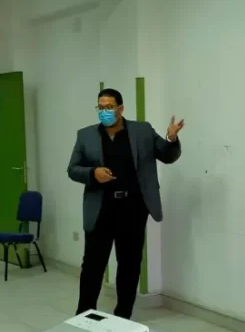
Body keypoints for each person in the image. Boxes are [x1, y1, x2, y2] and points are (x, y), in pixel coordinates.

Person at [67, 88, 185, 319]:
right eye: (100, 107)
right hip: (100, 209)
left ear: (120, 108)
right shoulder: (86, 135)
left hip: (133, 208)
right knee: (93, 265)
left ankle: (123, 316)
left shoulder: (142, 131)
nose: (104, 111)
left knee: (129, 264)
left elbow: (167, 156)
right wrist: (93, 173)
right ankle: (84, 315)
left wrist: (171, 139)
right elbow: (72, 169)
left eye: (109, 107)